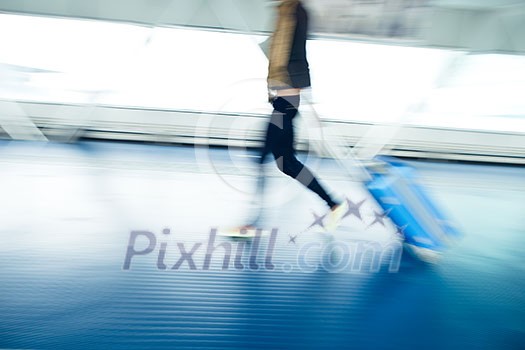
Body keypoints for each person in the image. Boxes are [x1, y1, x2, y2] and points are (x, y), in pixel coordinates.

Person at [236, 0, 346, 233]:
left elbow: (294, 51)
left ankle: (253, 221)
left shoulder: (294, 11)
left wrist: (292, 88)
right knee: (287, 163)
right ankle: (333, 204)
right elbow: (280, 50)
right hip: (284, 99)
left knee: (262, 158)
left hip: (286, 101)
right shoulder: (287, 10)